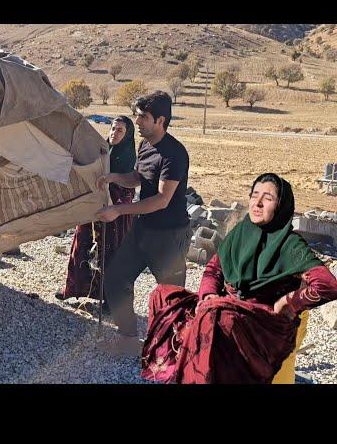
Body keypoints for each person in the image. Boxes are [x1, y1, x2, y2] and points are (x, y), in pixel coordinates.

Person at [141, 173, 337, 384]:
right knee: (163, 295)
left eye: (268, 198)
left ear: (281, 206)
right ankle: (178, 369)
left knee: (218, 318)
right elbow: (214, 269)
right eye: (255, 195)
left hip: (262, 319)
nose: (258, 203)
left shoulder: (290, 244)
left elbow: (328, 284)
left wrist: (289, 301)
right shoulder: (242, 233)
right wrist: (208, 295)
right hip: (223, 305)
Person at [95, 91, 192, 357]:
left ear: (161, 120)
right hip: (143, 228)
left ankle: (178, 351)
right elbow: (139, 177)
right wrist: (115, 177)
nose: (137, 122)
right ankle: (128, 339)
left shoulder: (175, 154)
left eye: (143, 117)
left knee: (172, 297)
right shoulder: (145, 145)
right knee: (115, 278)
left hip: (169, 236)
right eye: (137, 116)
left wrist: (118, 210)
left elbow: (162, 199)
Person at [56, 116, 136, 308]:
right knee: (82, 245)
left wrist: (114, 200)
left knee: (112, 255)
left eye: (119, 131)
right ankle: (74, 289)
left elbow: (129, 189)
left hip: (115, 214)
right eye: (113, 128)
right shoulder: (102, 151)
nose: (114, 133)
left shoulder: (128, 157)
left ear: (127, 135)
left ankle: (111, 301)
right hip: (93, 207)